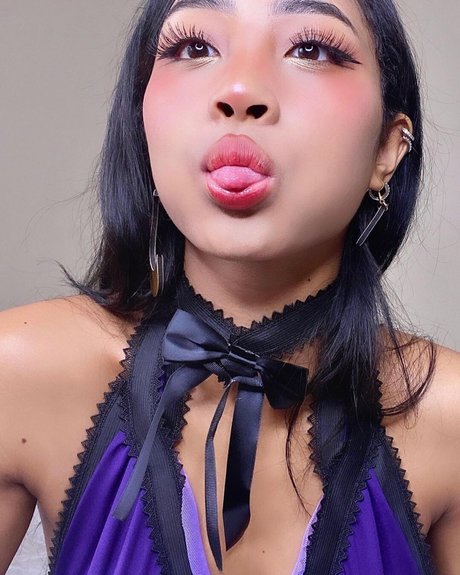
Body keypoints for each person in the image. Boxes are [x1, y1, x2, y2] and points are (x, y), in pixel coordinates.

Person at [0, 0, 459, 573]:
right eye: (194, 47)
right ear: (143, 122)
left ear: (388, 149)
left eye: (310, 48)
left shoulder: (450, 417)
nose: (240, 89)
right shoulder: (19, 371)